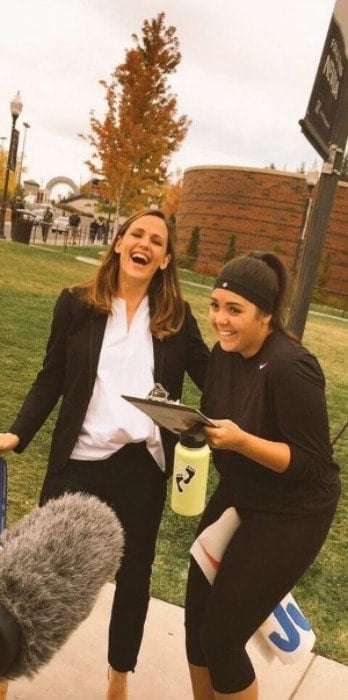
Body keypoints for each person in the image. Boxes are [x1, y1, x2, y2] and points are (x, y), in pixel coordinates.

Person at [0, 208, 210, 700]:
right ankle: (1, 672)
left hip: (141, 466)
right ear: (120, 242)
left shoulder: (176, 319)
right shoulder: (77, 304)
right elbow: (51, 378)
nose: (144, 243)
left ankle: (119, 675)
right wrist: (18, 434)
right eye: (137, 234)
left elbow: (214, 379)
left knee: (133, 578)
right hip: (79, 458)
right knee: (36, 569)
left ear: (165, 259)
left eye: (157, 240)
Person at [184, 252, 341, 700]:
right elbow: (219, 417)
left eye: (235, 310)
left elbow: (311, 463)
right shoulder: (223, 354)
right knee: (196, 619)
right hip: (242, 491)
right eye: (216, 305)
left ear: (267, 315)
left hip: (294, 511)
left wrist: (242, 442)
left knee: (222, 635)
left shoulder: (293, 367)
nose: (220, 320)